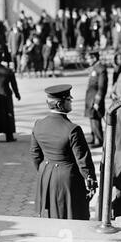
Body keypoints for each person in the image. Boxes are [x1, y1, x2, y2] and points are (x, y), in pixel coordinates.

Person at [30, 84, 98, 220]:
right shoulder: (73, 129)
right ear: (61, 104)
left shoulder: (38, 124)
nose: (71, 101)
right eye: (69, 99)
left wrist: (44, 170)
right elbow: (83, 160)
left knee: (50, 214)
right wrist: (90, 181)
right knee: (72, 214)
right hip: (67, 178)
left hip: (46, 174)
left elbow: (35, 154)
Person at [84, 51, 108, 148]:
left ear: (94, 58)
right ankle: (93, 137)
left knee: (96, 120)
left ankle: (99, 140)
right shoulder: (94, 68)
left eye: (89, 58)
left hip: (95, 100)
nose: (88, 60)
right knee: (92, 118)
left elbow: (102, 87)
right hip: (90, 99)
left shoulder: (101, 69)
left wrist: (97, 101)